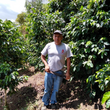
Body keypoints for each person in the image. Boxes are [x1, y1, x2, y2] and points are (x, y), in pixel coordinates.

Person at [41, 30, 73, 110]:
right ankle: (45, 103)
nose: (57, 38)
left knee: (56, 89)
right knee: (47, 89)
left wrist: (67, 72)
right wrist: (46, 65)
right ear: (53, 37)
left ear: (61, 37)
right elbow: (42, 56)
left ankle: (53, 103)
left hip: (59, 72)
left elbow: (68, 60)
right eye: (55, 36)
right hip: (49, 72)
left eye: (59, 36)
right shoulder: (49, 45)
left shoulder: (66, 47)